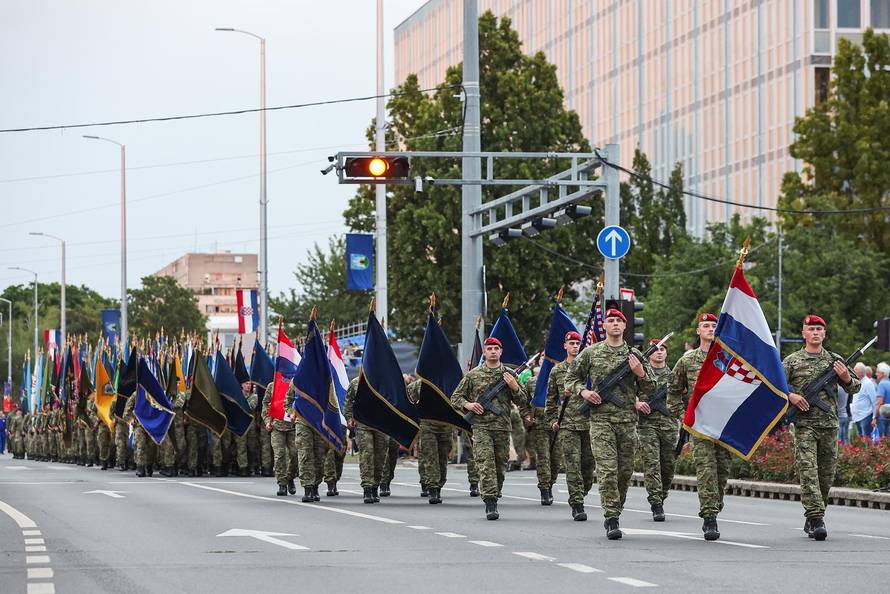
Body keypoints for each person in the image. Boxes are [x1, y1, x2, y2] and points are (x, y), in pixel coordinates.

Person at [566, 309, 655, 540]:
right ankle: (611, 517)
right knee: (607, 471)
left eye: (619, 321)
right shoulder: (591, 353)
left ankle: (617, 507)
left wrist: (640, 373)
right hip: (600, 421)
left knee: (624, 473)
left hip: (627, 422)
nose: (615, 324)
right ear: (604, 325)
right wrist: (584, 391)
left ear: (625, 327)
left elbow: (651, 388)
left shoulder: (634, 354)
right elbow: (570, 378)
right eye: (610, 320)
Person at [784, 315, 860, 541]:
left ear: (824, 334)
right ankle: (816, 518)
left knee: (826, 474)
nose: (815, 332)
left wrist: (846, 378)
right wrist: (792, 396)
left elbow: (855, 387)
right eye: (811, 329)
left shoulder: (835, 361)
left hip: (829, 424)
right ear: (803, 334)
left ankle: (814, 514)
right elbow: (773, 385)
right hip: (804, 425)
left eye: (819, 329)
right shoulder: (791, 361)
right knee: (808, 472)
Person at [451, 337, 531, 520]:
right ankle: (490, 501)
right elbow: (455, 397)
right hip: (481, 427)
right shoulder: (473, 375)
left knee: (499, 465)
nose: (493, 351)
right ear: (485, 352)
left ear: (501, 352)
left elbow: (523, 401)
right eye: (489, 348)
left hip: (502, 427)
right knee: (485, 464)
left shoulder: (510, 374)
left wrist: (514, 387)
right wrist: (469, 405)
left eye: (496, 348)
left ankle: (495, 491)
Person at [668, 312, 727, 541]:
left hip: (723, 424)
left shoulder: (728, 358)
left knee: (722, 471)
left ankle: (715, 505)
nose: (710, 328)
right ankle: (709, 517)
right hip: (700, 426)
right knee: (705, 471)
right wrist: (684, 417)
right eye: (705, 325)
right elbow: (673, 391)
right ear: (698, 331)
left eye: (714, 325)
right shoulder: (687, 360)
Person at [545, 331, 591, 517]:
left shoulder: (589, 369)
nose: (574, 346)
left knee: (588, 467)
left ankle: (582, 492)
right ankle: (577, 504)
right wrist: (552, 421)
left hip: (590, 424)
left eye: (577, 343)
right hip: (567, 425)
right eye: (571, 343)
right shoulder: (557, 371)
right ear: (565, 346)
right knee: (572, 465)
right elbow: (550, 399)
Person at [637, 337, 678, 521]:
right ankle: (656, 503)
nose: (659, 351)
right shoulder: (641, 374)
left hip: (669, 425)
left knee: (668, 466)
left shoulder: (674, 375)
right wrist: (637, 403)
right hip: (647, 425)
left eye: (662, 349)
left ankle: (661, 495)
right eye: (655, 349)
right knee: (652, 464)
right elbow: (629, 392)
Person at [344, 376, 390, 504]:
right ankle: (367, 488)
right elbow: (348, 402)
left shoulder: (385, 380)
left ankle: (375, 486)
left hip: (381, 425)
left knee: (380, 457)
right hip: (363, 424)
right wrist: (349, 418)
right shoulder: (355, 383)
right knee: (367, 455)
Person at [408, 376, 452, 504]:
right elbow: (409, 401)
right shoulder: (418, 385)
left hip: (445, 426)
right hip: (427, 425)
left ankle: (439, 484)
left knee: (442, 458)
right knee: (430, 457)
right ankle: (433, 488)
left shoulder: (448, 382)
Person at [261, 381, 298, 497]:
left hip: (293, 426)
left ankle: (290, 477)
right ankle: (282, 484)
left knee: (295, 454)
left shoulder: (295, 384)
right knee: (279, 455)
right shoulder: (272, 385)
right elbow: (266, 404)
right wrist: (267, 421)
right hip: (276, 426)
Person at [851, 363, 877, 438]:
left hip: (866, 416)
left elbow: (874, 401)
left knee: (866, 439)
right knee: (860, 440)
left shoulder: (868, 383)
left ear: (861, 373)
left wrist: (874, 417)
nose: (853, 373)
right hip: (857, 417)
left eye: (855, 372)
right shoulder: (857, 382)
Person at [873, 362, 890, 438]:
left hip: (882, 417)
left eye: (878, 372)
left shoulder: (882, 384)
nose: (876, 374)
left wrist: (874, 417)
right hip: (888, 416)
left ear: (882, 373)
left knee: (881, 441)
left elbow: (880, 402)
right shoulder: (888, 383)